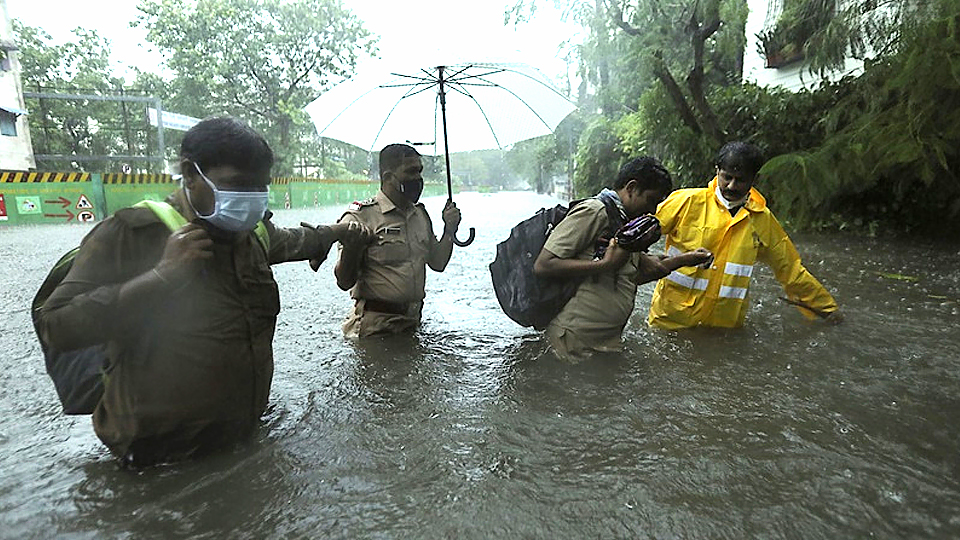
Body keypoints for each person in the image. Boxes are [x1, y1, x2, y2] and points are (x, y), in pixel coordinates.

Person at [35, 116, 371, 466]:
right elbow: (56, 325)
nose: (251, 198)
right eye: (237, 184)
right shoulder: (132, 234)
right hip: (158, 461)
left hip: (241, 443)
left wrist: (339, 231)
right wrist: (161, 277)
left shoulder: (253, 234)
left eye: (260, 186)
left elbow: (298, 241)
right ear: (190, 175)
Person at [533, 156, 713, 362]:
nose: (653, 210)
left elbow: (639, 272)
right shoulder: (594, 211)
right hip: (575, 340)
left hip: (605, 341)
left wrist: (686, 259)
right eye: (651, 200)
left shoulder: (624, 224)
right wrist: (604, 264)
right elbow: (544, 264)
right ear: (632, 188)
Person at [647, 141, 843, 329]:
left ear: (754, 180)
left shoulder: (762, 220)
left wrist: (826, 309)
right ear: (717, 171)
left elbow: (790, 270)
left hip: (722, 329)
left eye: (740, 180)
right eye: (727, 177)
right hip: (670, 321)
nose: (732, 186)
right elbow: (638, 235)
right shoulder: (686, 201)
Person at [335, 143, 462, 338]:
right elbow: (344, 282)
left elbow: (438, 263)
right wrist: (352, 248)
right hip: (375, 329)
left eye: (420, 171)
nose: (418, 179)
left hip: (412, 324)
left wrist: (449, 229)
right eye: (410, 172)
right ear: (388, 178)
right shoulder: (361, 218)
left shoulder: (420, 215)